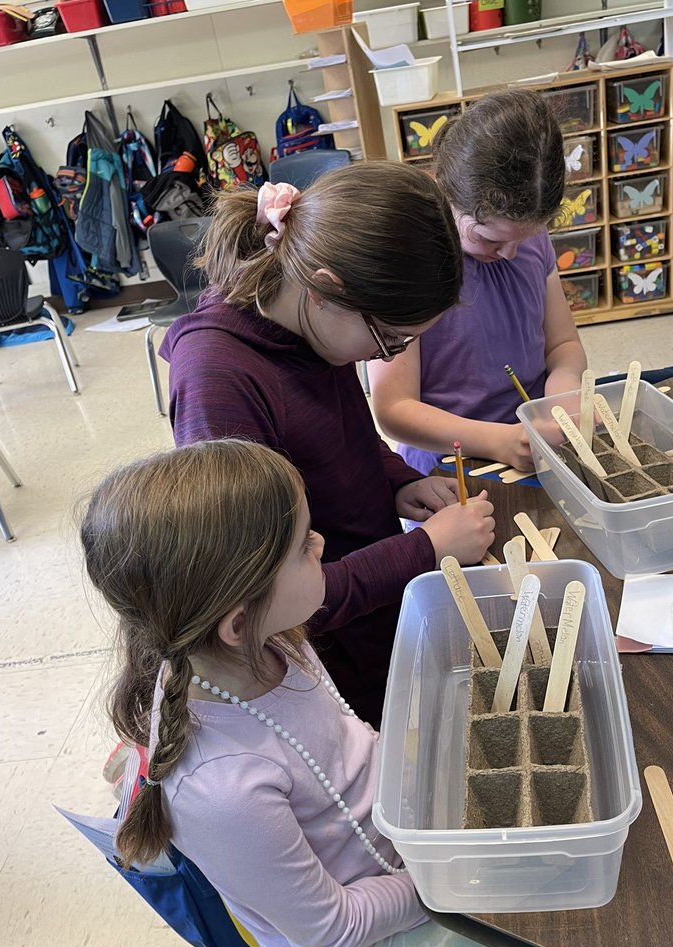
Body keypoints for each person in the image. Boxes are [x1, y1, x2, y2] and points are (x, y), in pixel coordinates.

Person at [80, 439, 531, 947]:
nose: (319, 542)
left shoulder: (274, 641)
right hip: (363, 933)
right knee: (584, 924)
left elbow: (344, 743)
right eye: (300, 546)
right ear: (237, 623)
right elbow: (328, 931)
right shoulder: (221, 789)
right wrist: (443, 878)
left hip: (400, 837)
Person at [160, 164, 494, 727]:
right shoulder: (218, 384)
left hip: (373, 610)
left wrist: (397, 480)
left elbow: (347, 435)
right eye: (390, 339)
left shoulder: (308, 324)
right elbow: (266, 600)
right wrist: (425, 550)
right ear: (327, 288)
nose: (389, 356)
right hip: (320, 662)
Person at [369, 90, 588, 476]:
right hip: (449, 463)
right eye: (489, 238)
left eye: (527, 236)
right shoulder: (410, 258)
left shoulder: (523, 231)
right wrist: (498, 441)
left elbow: (563, 343)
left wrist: (563, 390)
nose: (509, 253)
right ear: (447, 193)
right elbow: (393, 410)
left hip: (536, 445)